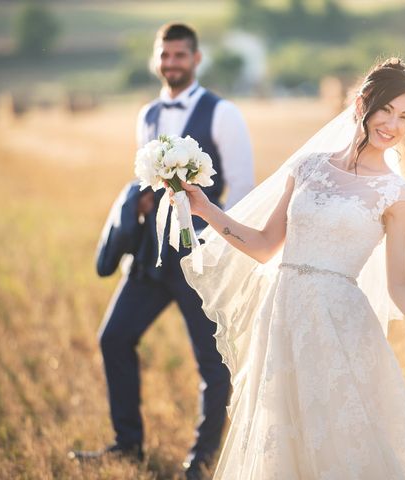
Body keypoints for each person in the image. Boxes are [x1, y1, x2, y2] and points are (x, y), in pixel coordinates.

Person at [172, 58, 405, 479]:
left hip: (340, 323)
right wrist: (207, 209)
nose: (393, 125)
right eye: (386, 110)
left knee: (344, 440)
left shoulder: (397, 194)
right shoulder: (307, 166)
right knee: (282, 438)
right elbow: (266, 246)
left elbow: (400, 284)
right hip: (283, 315)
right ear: (361, 105)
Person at [70, 23, 255, 479]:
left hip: (200, 258)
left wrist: (215, 243)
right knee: (113, 337)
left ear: (195, 59)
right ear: (157, 59)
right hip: (150, 257)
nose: (171, 63)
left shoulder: (222, 113)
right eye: (164, 55)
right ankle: (127, 445)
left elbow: (244, 187)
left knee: (212, 362)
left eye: (180, 55)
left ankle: (202, 458)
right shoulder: (147, 115)